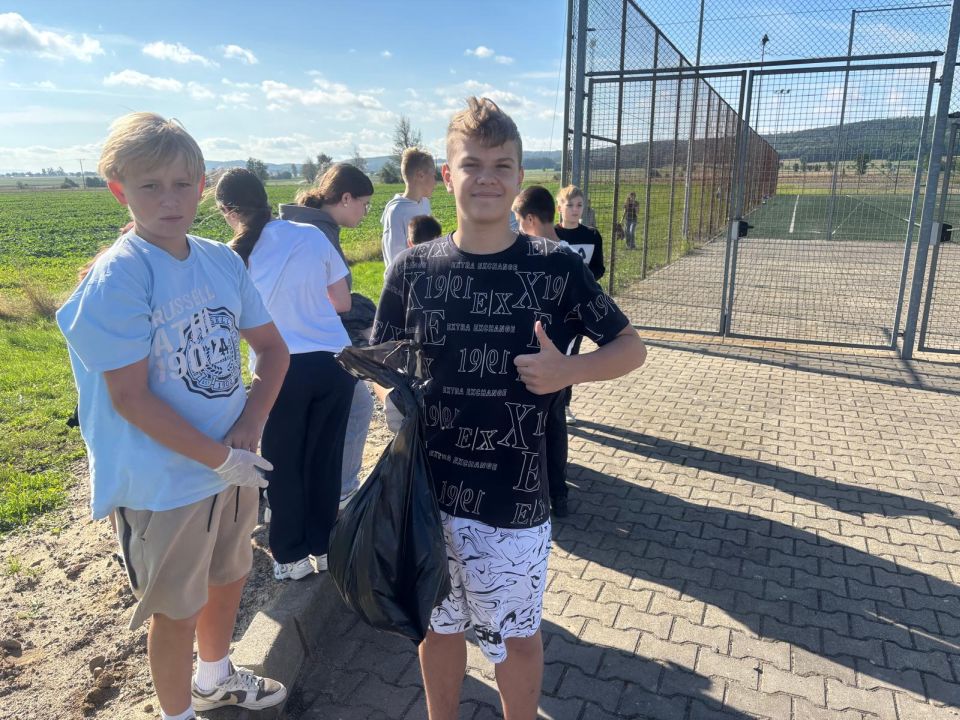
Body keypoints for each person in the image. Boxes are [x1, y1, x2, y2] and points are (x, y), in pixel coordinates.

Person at [371, 97, 647, 720]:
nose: (487, 178)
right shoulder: (412, 271)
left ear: (520, 177)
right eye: (472, 164)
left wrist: (568, 371)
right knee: (436, 626)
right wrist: (392, 396)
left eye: (502, 166)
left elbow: (631, 348)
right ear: (448, 175)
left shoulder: (554, 267)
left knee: (516, 639)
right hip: (427, 493)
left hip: (513, 502)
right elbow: (381, 363)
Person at [56, 113, 290, 720]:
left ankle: (215, 678)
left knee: (230, 574)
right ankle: (177, 713)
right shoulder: (119, 277)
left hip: (233, 463)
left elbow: (272, 349)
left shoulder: (220, 261)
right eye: (150, 186)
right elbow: (131, 398)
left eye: (183, 184)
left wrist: (250, 425)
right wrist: (222, 458)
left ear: (203, 186)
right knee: (175, 609)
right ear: (120, 191)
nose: (169, 200)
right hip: (165, 482)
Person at [215, 168, 356, 581]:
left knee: (283, 463)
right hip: (334, 362)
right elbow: (342, 301)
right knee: (325, 459)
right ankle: (324, 548)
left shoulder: (230, 256)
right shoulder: (311, 234)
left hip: (279, 368)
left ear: (227, 211)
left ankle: (290, 557)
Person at [277, 163, 376, 510]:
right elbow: (338, 301)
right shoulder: (316, 233)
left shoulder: (298, 226)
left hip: (283, 344)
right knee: (359, 406)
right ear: (346, 198)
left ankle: (287, 493)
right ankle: (342, 491)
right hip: (315, 343)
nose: (365, 212)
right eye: (364, 204)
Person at [511, 186, 579, 520]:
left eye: (518, 221)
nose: (518, 229)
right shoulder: (570, 256)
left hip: (539, 365)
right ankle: (559, 495)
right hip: (559, 365)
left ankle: (538, 493)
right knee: (555, 428)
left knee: (536, 432)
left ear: (530, 219)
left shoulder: (549, 259)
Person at [554, 184, 606, 428]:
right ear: (559, 208)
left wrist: (582, 280)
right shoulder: (552, 234)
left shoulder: (592, 236)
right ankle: (547, 402)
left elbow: (599, 268)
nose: (575, 210)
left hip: (578, 307)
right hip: (553, 304)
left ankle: (564, 404)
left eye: (579, 205)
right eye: (570, 205)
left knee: (570, 354)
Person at [380, 147, 436, 265]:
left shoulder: (425, 203)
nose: (435, 182)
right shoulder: (396, 211)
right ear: (420, 175)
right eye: (433, 175)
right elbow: (394, 259)